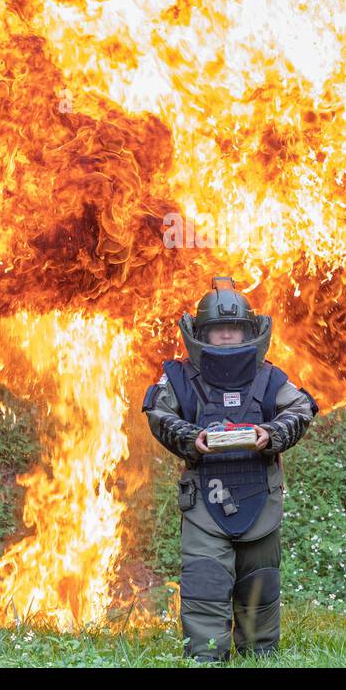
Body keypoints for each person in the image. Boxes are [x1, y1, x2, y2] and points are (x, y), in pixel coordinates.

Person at [142, 276, 318, 662]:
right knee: (205, 583)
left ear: (248, 331)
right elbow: (158, 412)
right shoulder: (179, 378)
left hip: (261, 500)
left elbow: (301, 408)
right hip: (204, 505)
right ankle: (207, 656)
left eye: (234, 328)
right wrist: (192, 437)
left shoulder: (270, 377)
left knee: (261, 586)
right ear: (201, 332)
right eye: (218, 329)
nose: (225, 337)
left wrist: (269, 433)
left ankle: (259, 654)